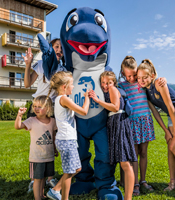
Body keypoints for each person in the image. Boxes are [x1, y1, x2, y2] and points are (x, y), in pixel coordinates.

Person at [137, 59, 175, 194]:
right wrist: (166, 131)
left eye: (145, 77)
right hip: (171, 116)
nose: (142, 80)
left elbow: (169, 105)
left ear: (152, 75)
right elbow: (156, 113)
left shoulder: (158, 83)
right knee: (170, 147)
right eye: (139, 78)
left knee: (174, 146)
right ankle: (172, 181)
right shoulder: (145, 92)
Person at [118, 56, 167, 195]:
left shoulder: (142, 84)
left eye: (135, 75)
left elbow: (152, 79)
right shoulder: (121, 86)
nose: (133, 78)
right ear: (122, 73)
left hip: (145, 121)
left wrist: (163, 79)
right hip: (132, 123)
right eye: (129, 75)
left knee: (143, 153)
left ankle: (143, 180)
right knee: (133, 155)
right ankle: (135, 183)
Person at [23, 39, 65, 192]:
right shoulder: (41, 64)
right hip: (38, 108)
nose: (59, 49)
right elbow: (27, 84)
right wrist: (28, 64)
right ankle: (35, 180)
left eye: (61, 47)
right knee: (37, 144)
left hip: (53, 110)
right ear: (50, 49)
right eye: (56, 47)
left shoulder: (63, 69)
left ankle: (49, 178)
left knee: (51, 143)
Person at [89, 71, 137, 200]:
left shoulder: (113, 89)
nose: (105, 85)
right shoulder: (110, 90)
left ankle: (128, 198)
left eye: (108, 82)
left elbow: (115, 107)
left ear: (113, 82)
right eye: (103, 82)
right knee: (123, 162)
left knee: (125, 164)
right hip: (115, 124)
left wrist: (98, 100)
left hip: (119, 123)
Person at [46, 71, 90, 200]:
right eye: (72, 84)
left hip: (68, 139)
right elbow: (83, 111)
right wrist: (87, 97)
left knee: (76, 168)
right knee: (70, 171)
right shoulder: (63, 99)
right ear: (64, 86)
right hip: (66, 140)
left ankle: (55, 190)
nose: (74, 87)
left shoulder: (62, 98)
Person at [14, 95, 57, 200]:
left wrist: (55, 149)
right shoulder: (31, 120)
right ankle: (37, 198)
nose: (36, 108)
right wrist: (19, 115)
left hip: (49, 156)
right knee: (37, 179)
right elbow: (18, 126)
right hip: (36, 157)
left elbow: (53, 136)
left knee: (43, 178)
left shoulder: (52, 121)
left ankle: (41, 195)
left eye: (40, 106)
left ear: (48, 108)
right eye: (35, 106)